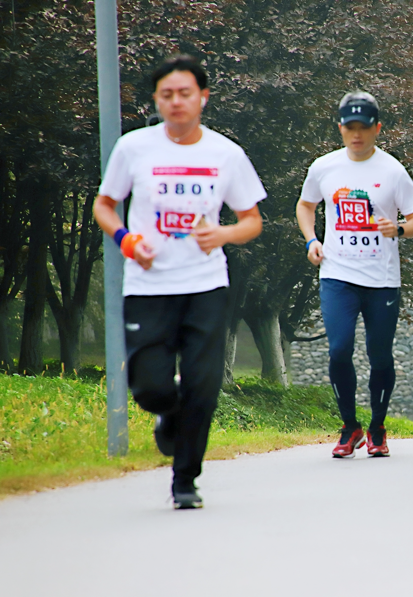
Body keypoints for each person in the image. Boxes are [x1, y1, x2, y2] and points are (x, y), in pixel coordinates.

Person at [92, 55, 266, 509]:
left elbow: (251, 221)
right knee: (150, 386)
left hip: (205, 286)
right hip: (148, 286)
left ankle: (185, 480)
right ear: (157, 99)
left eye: (184, 93)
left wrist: (223, 233)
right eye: (166, 94)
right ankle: (168, 417)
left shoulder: (225, 154)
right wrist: (127, 240)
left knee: (202, 385)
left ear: (202, 98)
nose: (176, 102)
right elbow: (104, 205)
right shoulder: (134, 148)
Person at [296, 91, 413, 457]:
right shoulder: (324, 167)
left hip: (381, 278)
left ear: (377, 129)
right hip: (337, 274)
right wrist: (311, 241)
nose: (357, 135)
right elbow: (306, 206)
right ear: (340, 129)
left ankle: (378, 427)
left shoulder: (392, 171)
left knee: (380, 355)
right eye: (349, 127)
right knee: (339, 350)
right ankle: (350, 427)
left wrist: (398, 229)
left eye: (364, 128)